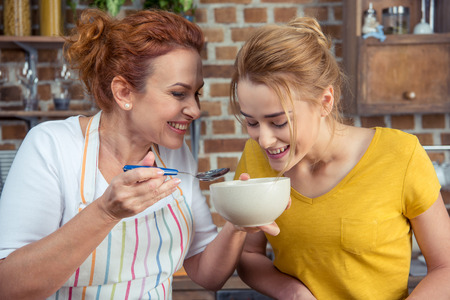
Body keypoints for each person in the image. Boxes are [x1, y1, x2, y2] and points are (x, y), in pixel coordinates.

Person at [0, 9, 278, 299]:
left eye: (197, 94)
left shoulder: (176, 155)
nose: (195, 110)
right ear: (124, 93)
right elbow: (8, 286)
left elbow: (206, 273)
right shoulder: (52, 147)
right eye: (178, 93)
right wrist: (106, 212)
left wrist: (238, 224)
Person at [230, 17, 450, 299]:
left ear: (325, 102)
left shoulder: (399, 154)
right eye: (251, 122)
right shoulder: (255, 158)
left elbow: (445, 268)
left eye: (279, 122)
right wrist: (293, 292)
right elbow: (249, 254)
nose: (264, 140)